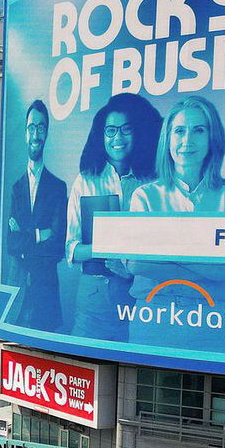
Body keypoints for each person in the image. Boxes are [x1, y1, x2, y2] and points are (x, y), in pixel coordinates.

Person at [127, 96, 225, 353]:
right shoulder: (145, 196)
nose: (187, 140)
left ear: (212, 139)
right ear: (168, 139)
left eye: (199, 130)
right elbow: (137, 264)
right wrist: (213, 266)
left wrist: (169, 259)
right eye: (179, 131)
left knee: (212, 393)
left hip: (214, 321)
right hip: (154, 316)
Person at [65, 93, 161, 340]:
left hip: (143, 295)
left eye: (126, 129)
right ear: (101, 135)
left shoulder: (154, 181)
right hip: (95, 294)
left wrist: (131, 266)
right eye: (110, 130)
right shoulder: (86, 180)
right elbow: (72, 250)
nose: (117, 137)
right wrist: (108, 250)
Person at [6, 99, 68, 330]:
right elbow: (11, 244)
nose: (36, 134)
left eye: (41, 127)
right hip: (18, 295)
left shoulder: (58, 187)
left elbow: (58, 245)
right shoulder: (14, 188)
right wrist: (40, 235)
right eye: (32, 127)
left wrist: (24, 237)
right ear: (25, 133)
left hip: (46, 297)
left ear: (47, 132)